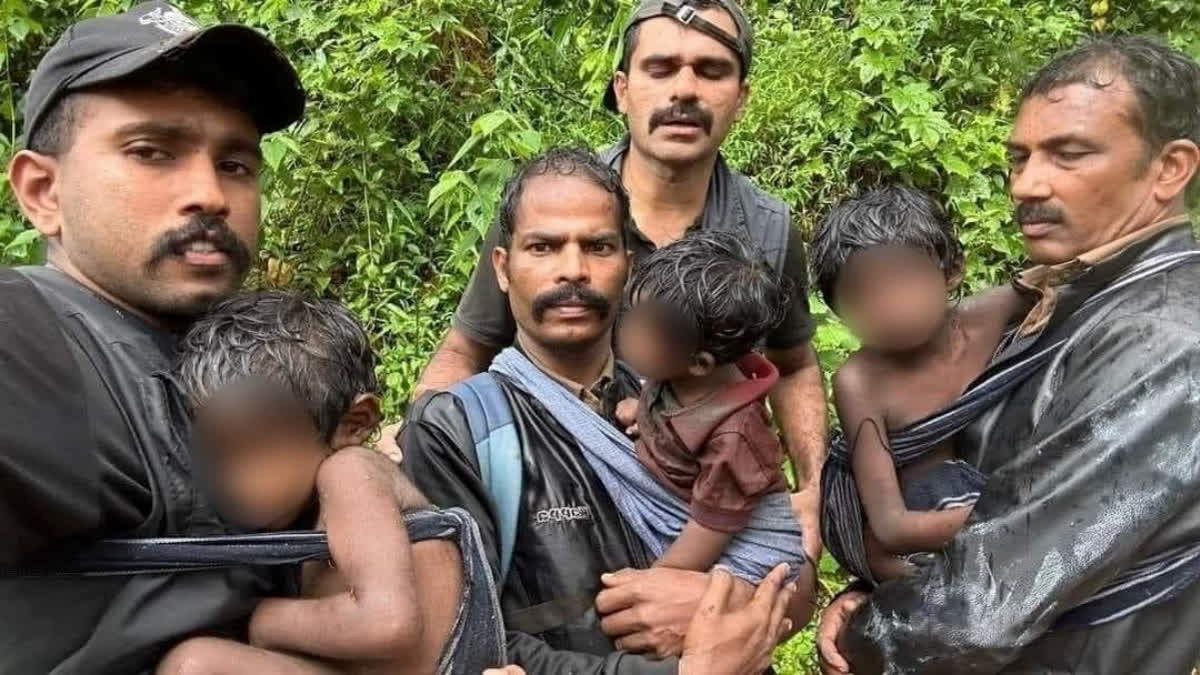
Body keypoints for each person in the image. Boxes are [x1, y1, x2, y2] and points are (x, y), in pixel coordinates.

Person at [0, 4, 461, 672]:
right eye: (151, 151)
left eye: (236, 163)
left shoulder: (252, 349)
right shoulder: (31, 338)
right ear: (43, 191)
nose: (209, 193)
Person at [818, 34, 1200, 675]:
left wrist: (871, 632)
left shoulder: (1164, 338)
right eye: (1019, 158)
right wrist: (880, 592)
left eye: (1069, 154)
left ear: (1169, 168)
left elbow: (984, 601)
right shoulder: (1072, 295)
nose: (1027, 183)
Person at [413, 0, 827, 560]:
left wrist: (813, 489)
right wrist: (423, 435)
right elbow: (466, 348)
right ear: (623, 88)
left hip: (706, 514)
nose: (684, 90)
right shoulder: (558, 207)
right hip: (561, 510)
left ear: (741, 97)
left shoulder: (767, 229)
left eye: (711, 70)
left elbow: (794, 364)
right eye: (660, 68)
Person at [401, 147, 816, 675]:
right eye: (543, 247)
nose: (572, 270)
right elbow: (458, 638)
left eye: (597, 246)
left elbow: (792, 579)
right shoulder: (458, 430)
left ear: (629, 262)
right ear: (503, 268)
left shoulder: (692, 394)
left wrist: (714, 595)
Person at [155, 291, 457, 674]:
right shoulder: (314, 502)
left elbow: (388, 624)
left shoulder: (351, 474)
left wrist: (264, 621)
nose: (235, 484)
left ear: (354, 423)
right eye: (218, 457)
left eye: (260, 452)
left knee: (195, 665)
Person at [811, 186, 1024, 582]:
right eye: (861, 294)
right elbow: (891, 528)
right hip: (925, 539)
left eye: (903, 277)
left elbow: (1074, 280)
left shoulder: (993, 314)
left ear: (952, 270)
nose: (889, 306)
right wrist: (1016, 511)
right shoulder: (860, 382)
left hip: (1000, 512)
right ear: (838, 311)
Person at [617, 231, 802, 576]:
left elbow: (709, 531)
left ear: (699, 364)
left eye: (644, 330)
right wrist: (643, 411)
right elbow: (663, 394)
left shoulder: (733, 439)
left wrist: (656, 580)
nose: (626, 330)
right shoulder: (677, 373)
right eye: (632, 314)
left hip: (720, 532)